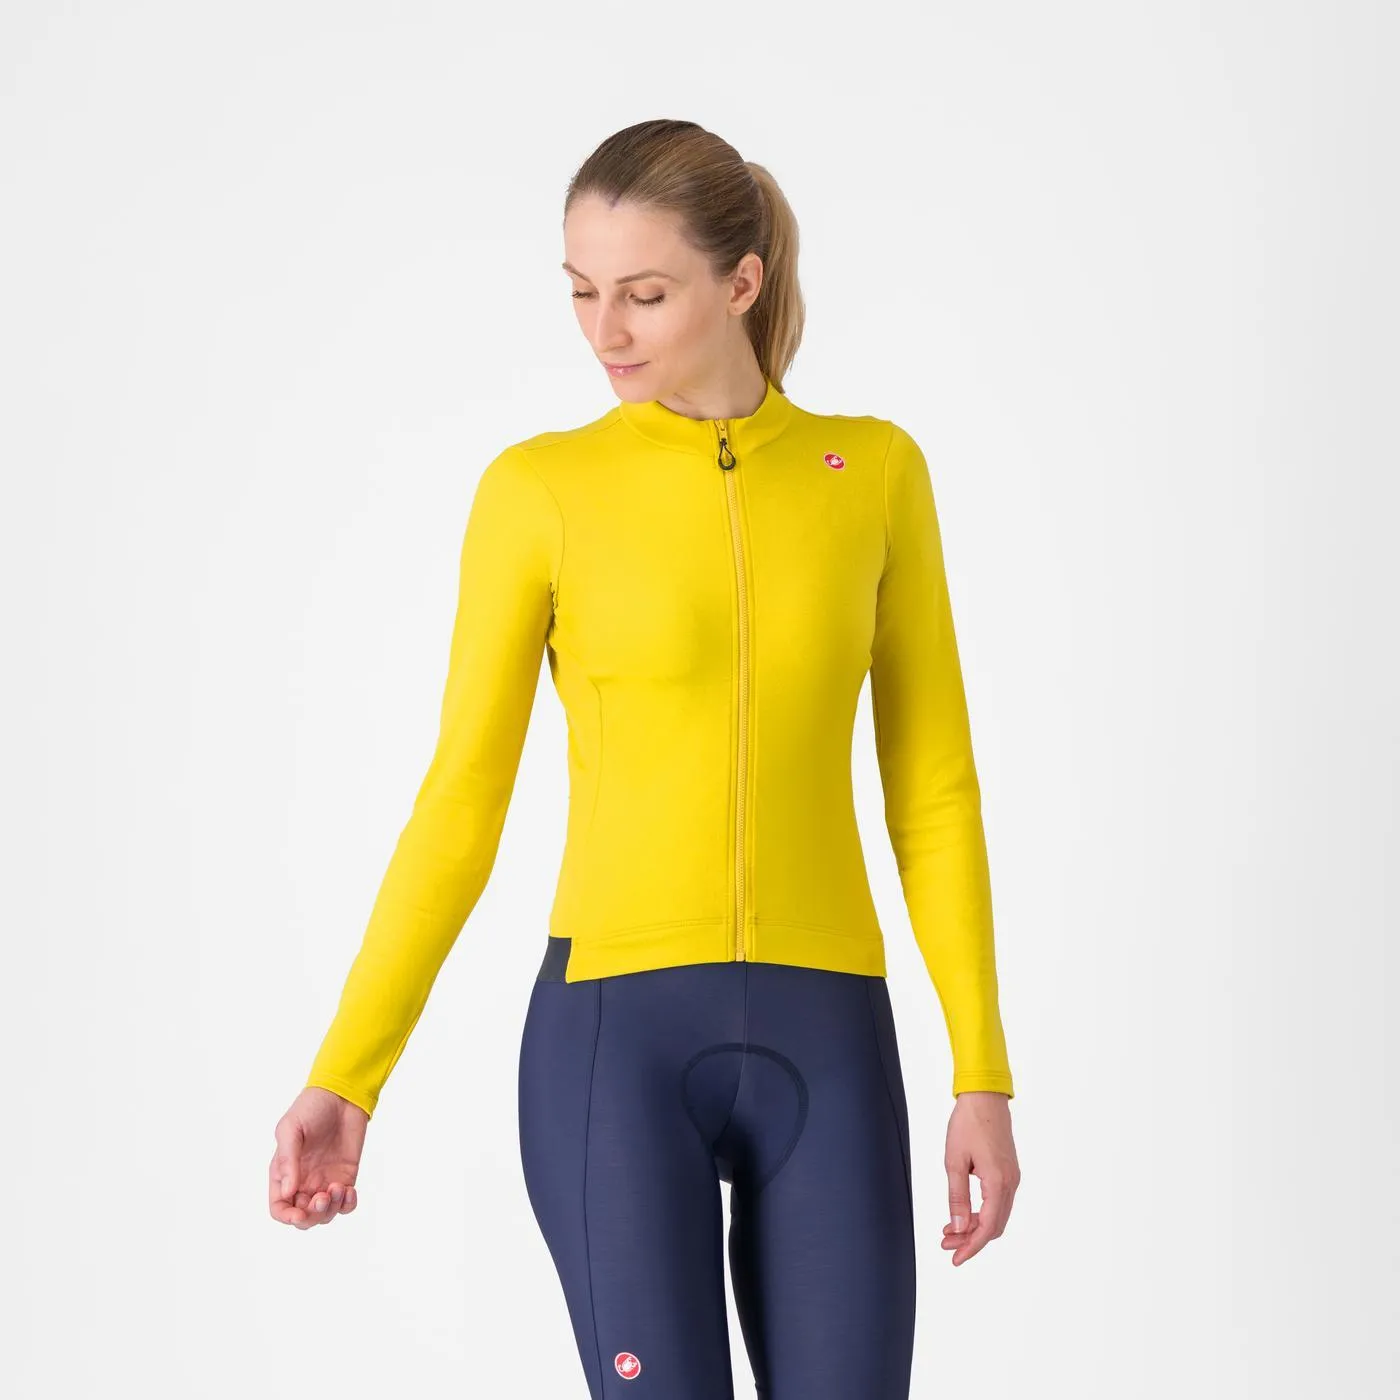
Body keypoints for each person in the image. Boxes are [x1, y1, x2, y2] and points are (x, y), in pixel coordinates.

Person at [269, 118, 1020, 1398]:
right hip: (612, 1041)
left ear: (742, 280)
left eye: (643, 293)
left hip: (830, 1028)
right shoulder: (541, 490)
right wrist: (349, 1070)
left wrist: (980, 1073)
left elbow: (933, 792)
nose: (603, 331)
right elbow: (460, 802)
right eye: (581, 292)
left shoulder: (872, 473)